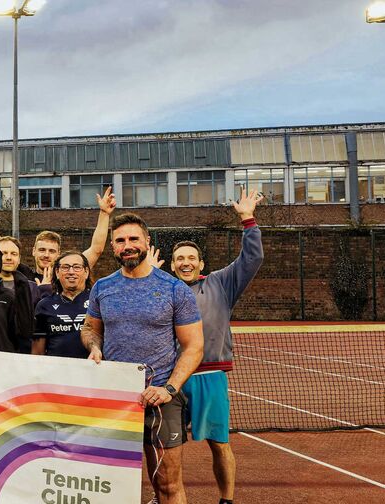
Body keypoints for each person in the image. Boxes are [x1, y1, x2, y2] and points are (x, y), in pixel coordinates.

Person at [80, 213, 203, 504]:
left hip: (161, 400)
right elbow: (89, 328)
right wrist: (94, 347)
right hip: (115, 398)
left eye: (134, 239)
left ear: (147, 241)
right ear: (113, 247)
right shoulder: (103, 287)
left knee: (167, 484)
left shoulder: (174, 289)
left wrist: (168, 389)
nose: (128, 245)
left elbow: (194, 346)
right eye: (120, 241)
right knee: (110, 484)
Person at [166, 189, 264, 504]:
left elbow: (253, 259)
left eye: (190, 258)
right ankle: (166, 494)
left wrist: (247, 219)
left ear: (201, 263)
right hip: (170, 381)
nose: (185, 262)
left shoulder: (221, 283)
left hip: (210, 376)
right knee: (166, 447)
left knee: (219, 444)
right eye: (179, 258)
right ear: (171, 265)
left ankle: (226, 500)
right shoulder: (161, 290)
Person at [0, 186, 115, 289]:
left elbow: (96, 249)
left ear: (58, 254)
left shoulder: (69, 271)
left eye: (51, 251)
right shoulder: (23, 273)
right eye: (42, 249)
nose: (46, 255)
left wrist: (104, 214)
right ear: (33, 251)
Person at [33, 251, 93, 358]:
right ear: (57, 272)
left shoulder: (97, 302)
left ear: (86, 272)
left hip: (92, 369)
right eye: (65, 267)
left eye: (76, 267)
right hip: (57, 370)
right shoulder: (44, 305)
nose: (71, 271)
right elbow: (37, 352)